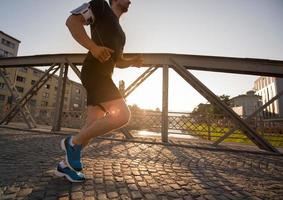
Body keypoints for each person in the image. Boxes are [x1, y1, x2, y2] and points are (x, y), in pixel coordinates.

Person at [55, 0, 143, 182]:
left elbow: (117, 60)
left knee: (91, 125)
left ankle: (64, 166)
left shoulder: (121, 34)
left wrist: (131, 61)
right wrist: (93, 48)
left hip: (105, 75)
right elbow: (72, 22)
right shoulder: (100, 6)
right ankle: (71, 143)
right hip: (94, 72)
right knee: (122, 116)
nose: (130, 1)